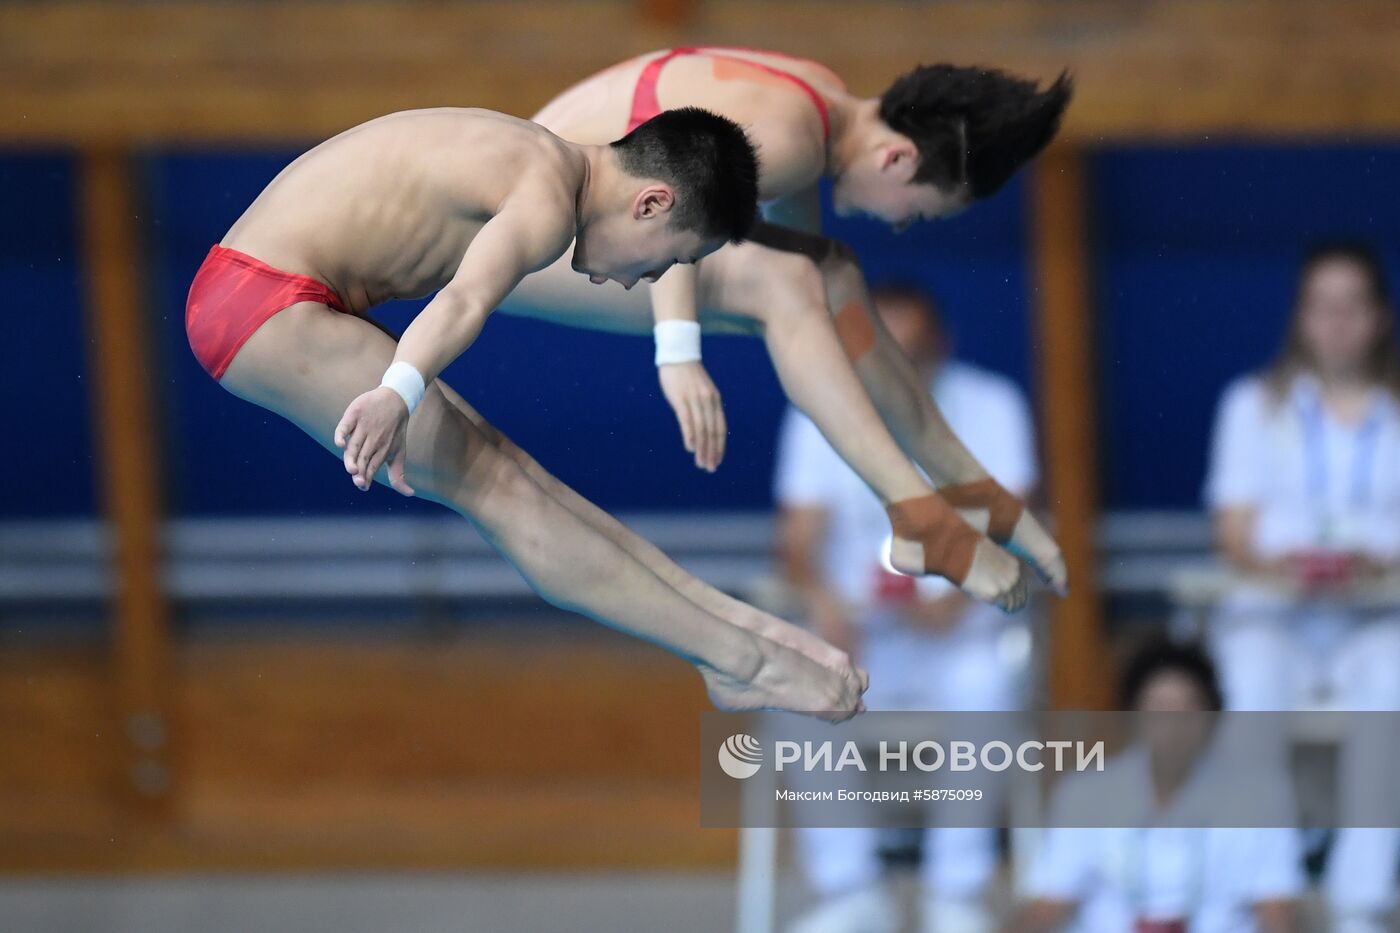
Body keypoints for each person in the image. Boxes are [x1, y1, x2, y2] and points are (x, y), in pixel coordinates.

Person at [183, 105, 868, 721]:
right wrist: (398, 391)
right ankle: (739, 662)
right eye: (672, 260)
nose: (648, 282)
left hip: (259, 286)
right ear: (652, 202)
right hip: (262, 302)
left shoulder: (548, 158)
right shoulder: (544, 197)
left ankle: (742, 630)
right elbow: (463, 303)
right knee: (501, 491)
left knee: (515, 472)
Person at [494, 48, 1074, 611]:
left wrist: (986, 497)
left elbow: (816, 283)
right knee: (785, 282)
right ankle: (920, 519)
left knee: (830, 270)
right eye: (917, 211)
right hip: (524, 234)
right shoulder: (793, 138)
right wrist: (678, 351)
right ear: (897, 159)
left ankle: (971, 490)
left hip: (578, 208)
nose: (899, 225)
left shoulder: (816, 100)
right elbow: (670, 215)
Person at [774, 284, 1038, 933]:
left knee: (988, 683)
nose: (893, 370)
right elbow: (798, 543)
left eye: (910, 354)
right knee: (791, 686)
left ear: (940, 348)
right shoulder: (818, 406)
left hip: (961, 630)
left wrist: (957, 591)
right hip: (861, 636)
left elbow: (1015, 528)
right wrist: (825, 603)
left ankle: (957, 891)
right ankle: (851, 891)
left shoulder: (993, 405)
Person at [1203, 242, 1400, 932]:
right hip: (1275, 613)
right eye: (1324, 306)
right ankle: (1267, 892)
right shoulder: (1253, 403)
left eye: (1353, 306)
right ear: (1302, 317)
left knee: (1393, 684)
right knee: (1250, 685)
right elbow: (1234, 534)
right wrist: (1287, 568)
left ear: (1378, 316)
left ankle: (1360, 898)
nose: (1338, 322)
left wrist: (1375, 567)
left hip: (1378, 614)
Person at [1011, 641, 1306, 933]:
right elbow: (1047, 905)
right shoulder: (1085, 795)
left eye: (1188, 710)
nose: (1173, 725)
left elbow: (1277, 911)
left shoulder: (1261, 797)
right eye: (1160, 709)